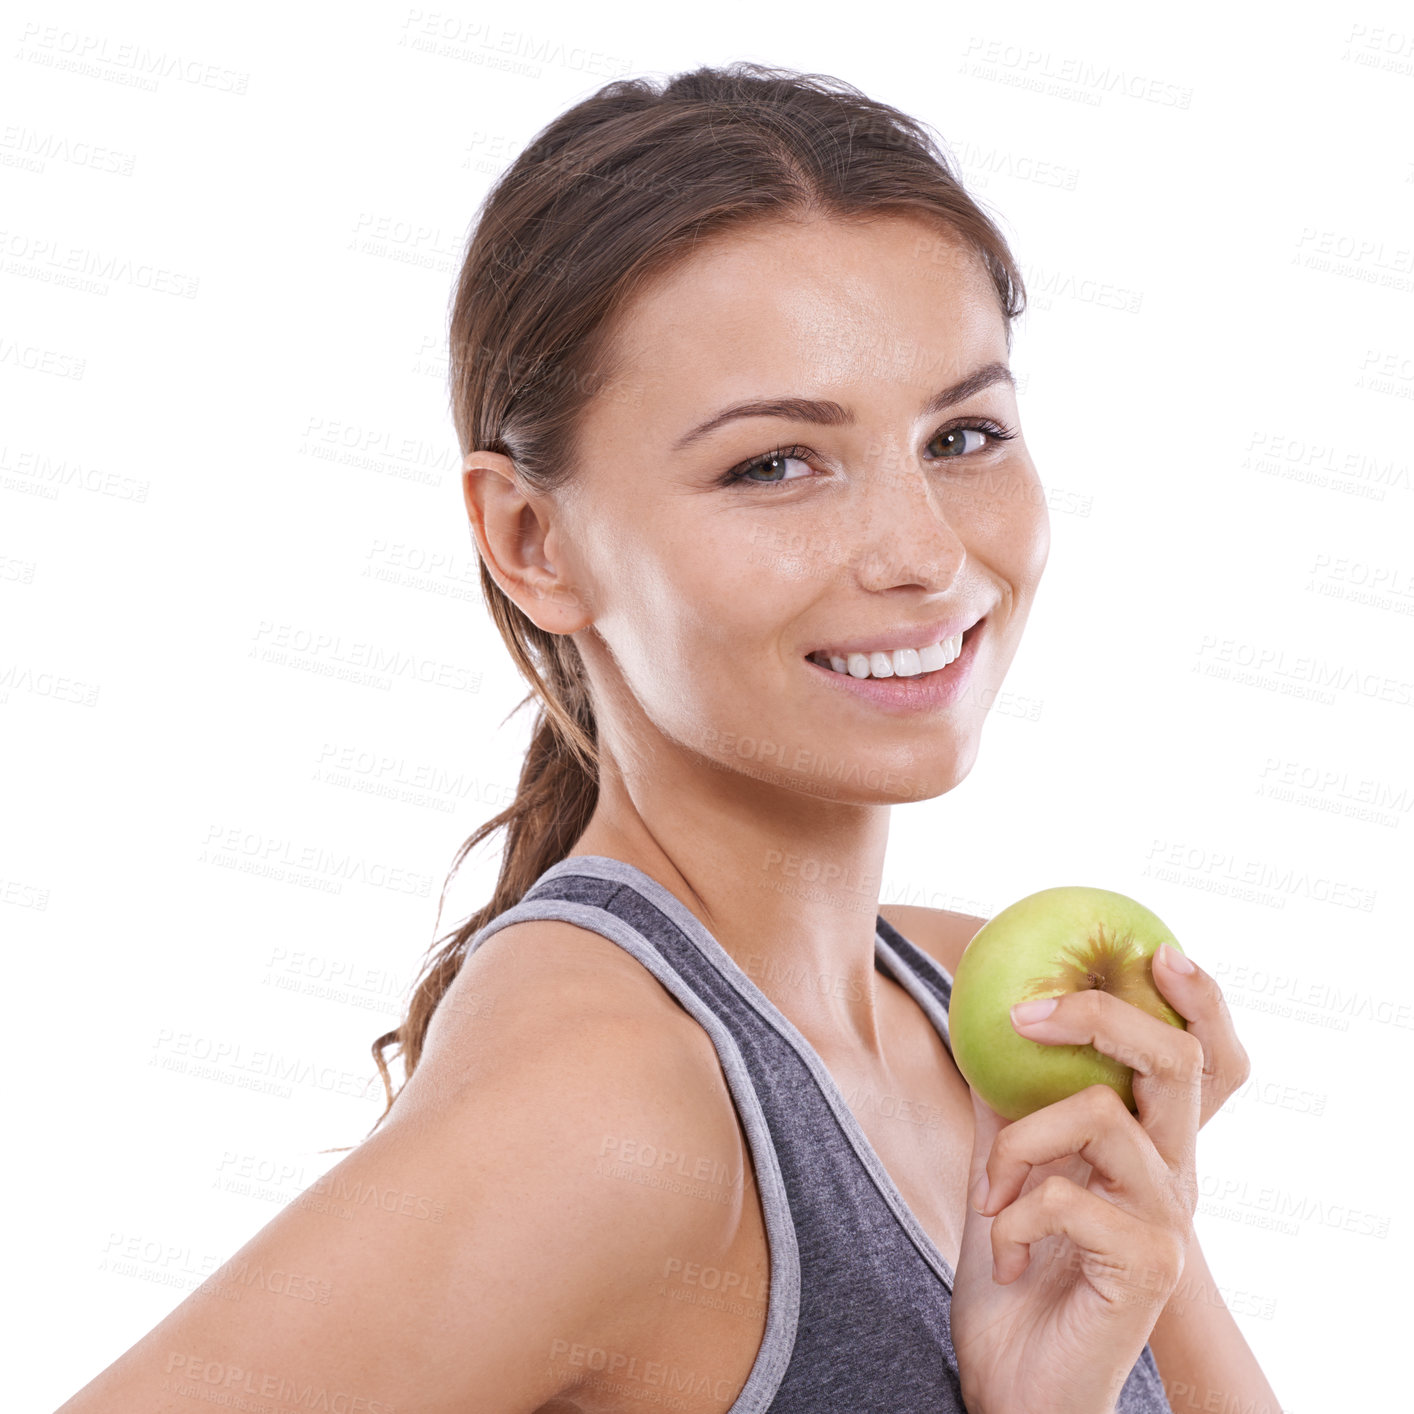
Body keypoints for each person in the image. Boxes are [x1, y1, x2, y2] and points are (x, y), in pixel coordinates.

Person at [60, 62, 1279, 1414]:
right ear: (530, 538)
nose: (925, 553)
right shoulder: (611, 1107)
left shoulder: (965, 997)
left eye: (964, 431)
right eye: (774, 463)